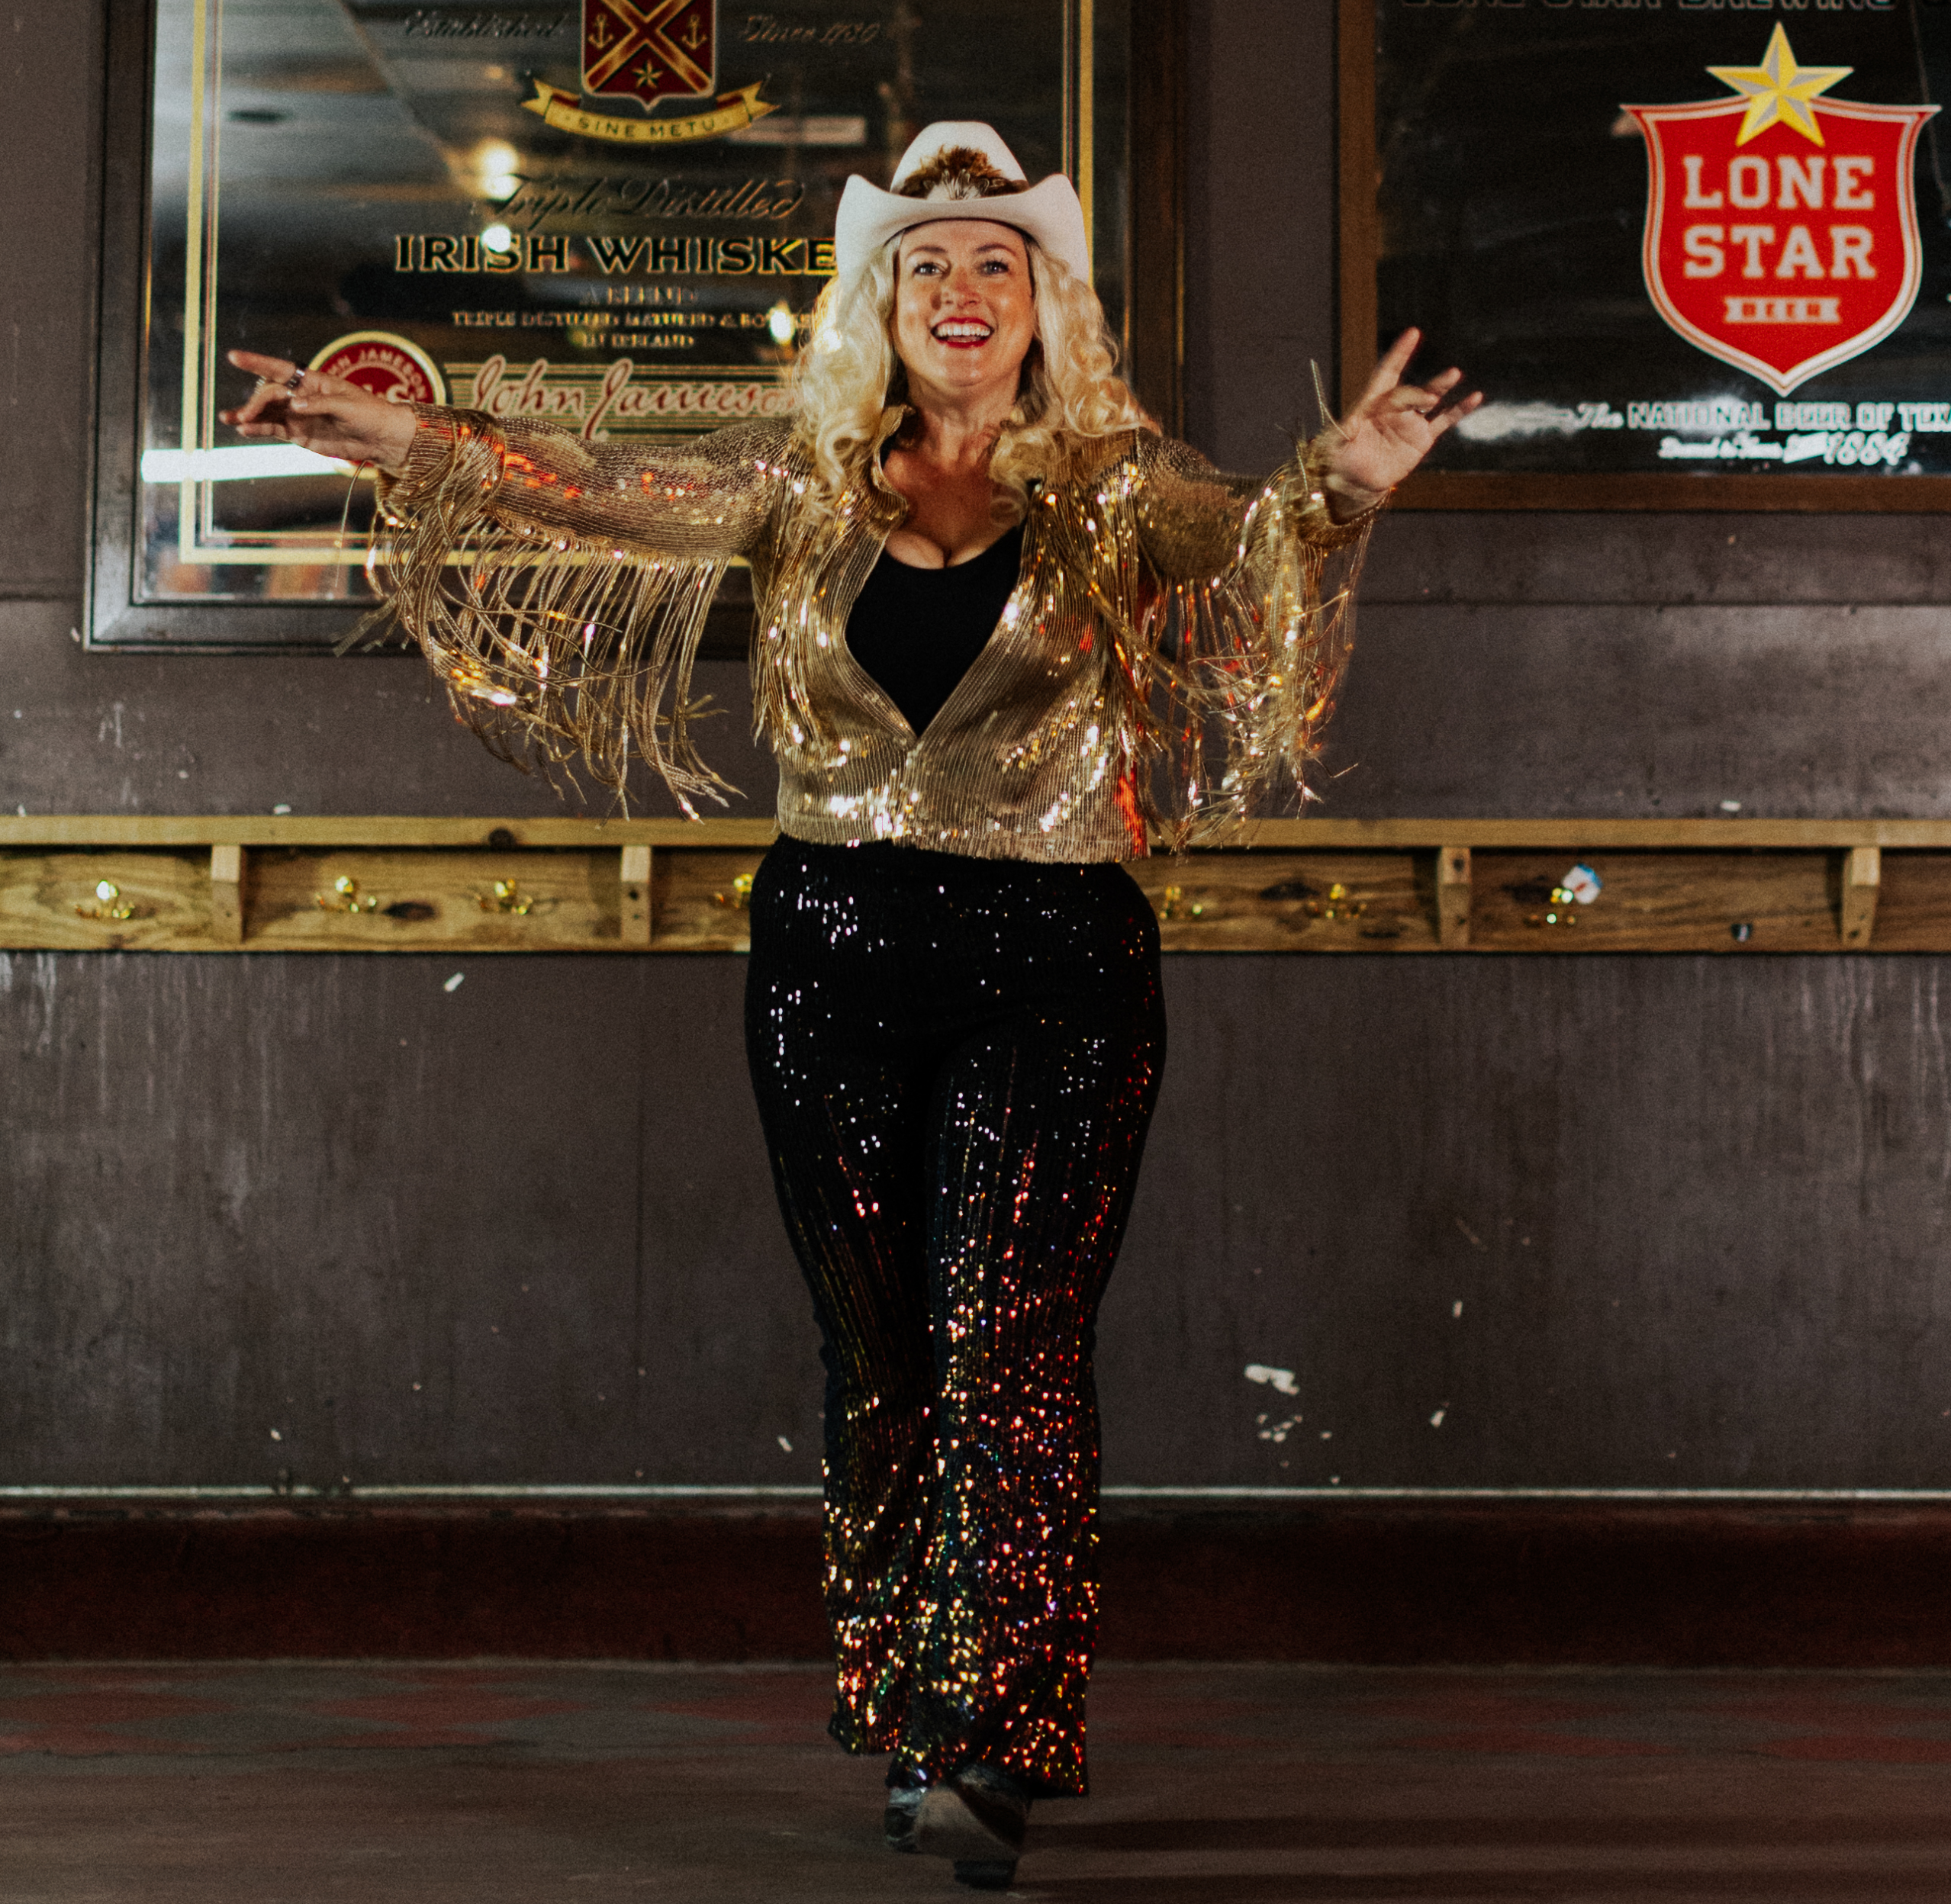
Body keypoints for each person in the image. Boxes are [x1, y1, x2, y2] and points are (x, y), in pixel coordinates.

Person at [226, 120, 1476, 1890]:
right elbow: (591, 486)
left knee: (1008, 1347)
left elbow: (1249, 530)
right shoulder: (798, 484)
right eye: (928, 266)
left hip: (1055, 962)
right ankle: (908, 1698)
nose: (961, 293)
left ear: (1044, 305)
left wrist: (1341, 478)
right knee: (880, 1348)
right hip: (830, 953)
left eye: (995, 266)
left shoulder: (1115, 488)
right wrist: (412, 437)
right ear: (877, 305)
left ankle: (993, 1732)